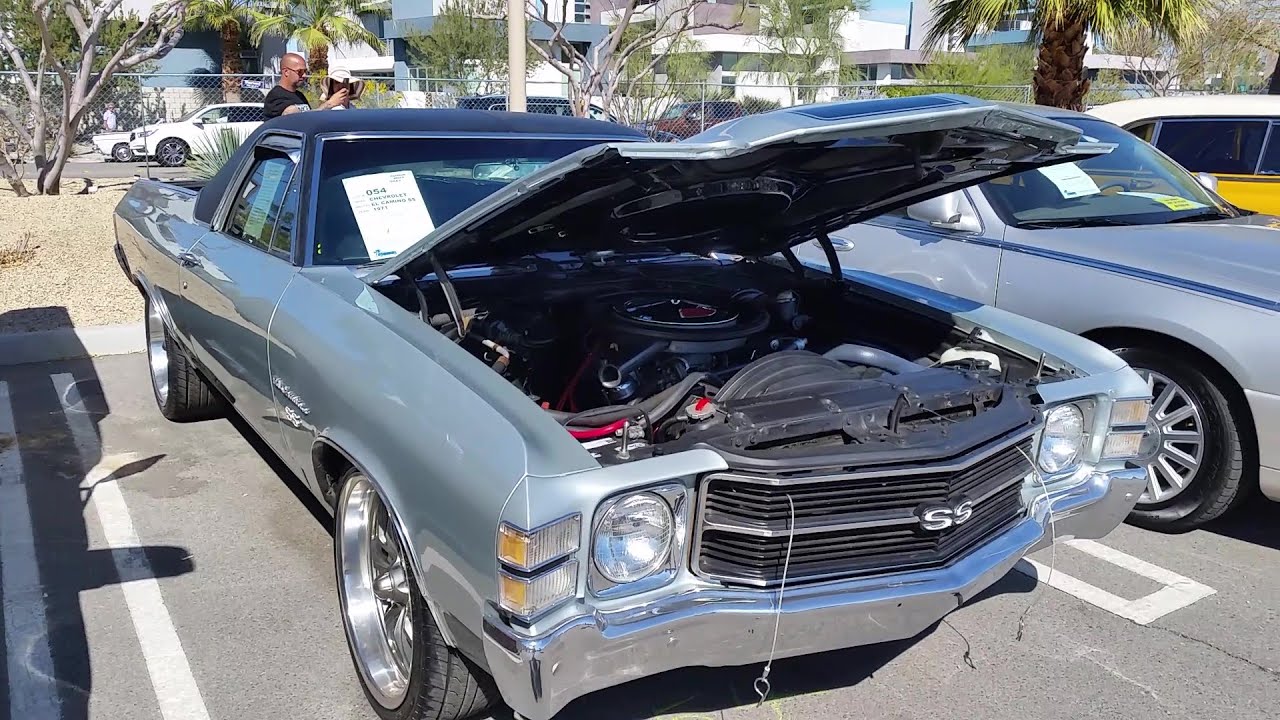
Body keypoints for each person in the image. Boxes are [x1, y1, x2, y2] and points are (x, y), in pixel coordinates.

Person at [263, 52, 347, 119]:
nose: (304, 75)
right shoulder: (275, 96)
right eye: (299, 72)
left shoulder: (299, 95)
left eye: (305, 71)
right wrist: (329, 104)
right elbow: (290, 115)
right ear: (286, 72)